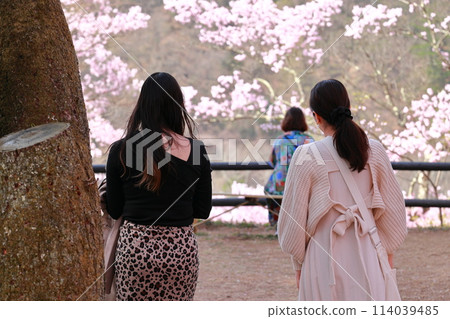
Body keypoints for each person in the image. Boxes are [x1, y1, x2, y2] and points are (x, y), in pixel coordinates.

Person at [278, 79, 407, 300]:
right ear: (348, 108)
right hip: (369, 259)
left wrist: (298, 267)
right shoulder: (373, 150)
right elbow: (392, 213)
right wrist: (387, 256)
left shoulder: (306, 155)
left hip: (321, 262)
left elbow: (293, 223)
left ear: (316, 117)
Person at [105, 72, 212, 301]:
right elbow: (203, 210)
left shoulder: (121, 150)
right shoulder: (196, 150)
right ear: (178, 106)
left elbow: (114, 209)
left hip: (135, 251)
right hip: (181, 251)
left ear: (142, 105)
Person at [264, 107, 314, 226]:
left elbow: (272, 161)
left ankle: (278, 226)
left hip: (278, 186)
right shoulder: (309, 140)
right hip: (301, 185)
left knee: (272, 194)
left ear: (286, 121)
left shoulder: (280, 140)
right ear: (303, 121)